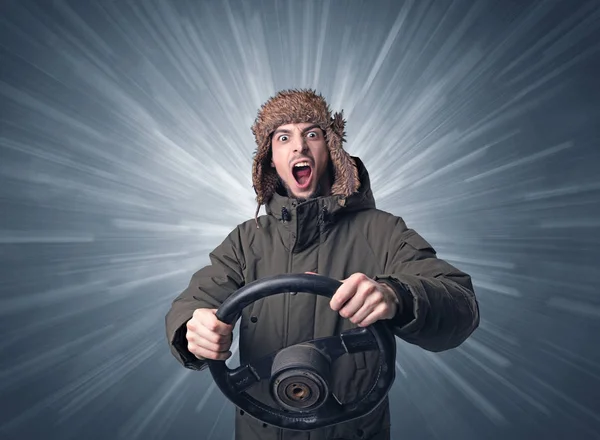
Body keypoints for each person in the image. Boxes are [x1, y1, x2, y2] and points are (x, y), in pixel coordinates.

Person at [165, 89, 479, 440]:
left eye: (311, 134)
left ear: (330, 150)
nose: (299, 147)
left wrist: (397, 296)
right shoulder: (245, 241)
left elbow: (459, 304)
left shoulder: (383, 232)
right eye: (283, 137)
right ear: (271, 160)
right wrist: (193, 326)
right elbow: (194, 301)